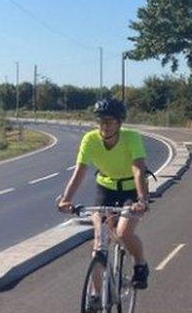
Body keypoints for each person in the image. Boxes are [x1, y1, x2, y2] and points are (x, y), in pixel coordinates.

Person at [57, 98, 151, 293]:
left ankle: (140, 264)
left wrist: (142, 198)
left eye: (109, 121)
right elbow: (80, 171)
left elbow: (138, 169)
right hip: (105, 187)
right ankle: (96, 295)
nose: (104, 126)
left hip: (131, 188)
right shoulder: (90, 139)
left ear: (119, 123)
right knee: (99, 243)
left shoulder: (132, 138)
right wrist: (66, 199)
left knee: (124, 233)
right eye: (100, 121)